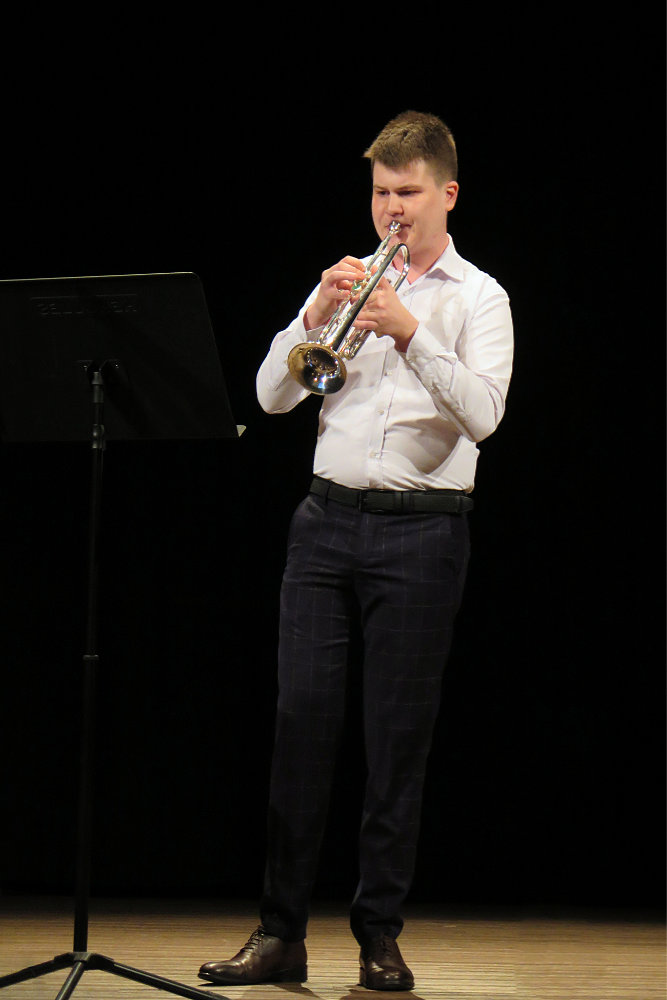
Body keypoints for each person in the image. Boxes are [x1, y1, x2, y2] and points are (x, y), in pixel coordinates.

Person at [198, 111, 513, 991]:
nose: (390, 210)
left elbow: (484, 416)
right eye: (379, 192)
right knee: (300, 728)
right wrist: (316, 312)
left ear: (447, 194)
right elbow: (271, 397)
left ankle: (378, 937)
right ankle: (279, 935)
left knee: (395, 741)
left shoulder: (479, 298)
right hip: (325, 525)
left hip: (422, 532)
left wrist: (409, 331)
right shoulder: (343, 279)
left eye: (407, 192)